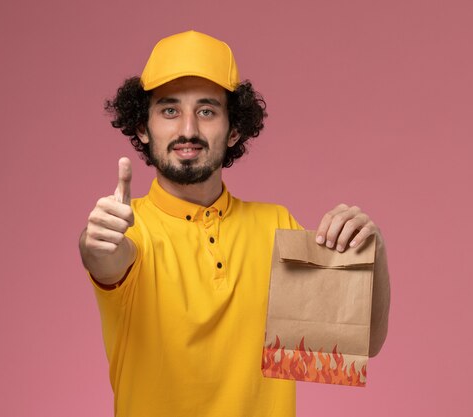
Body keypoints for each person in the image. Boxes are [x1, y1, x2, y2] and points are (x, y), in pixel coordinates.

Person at [79, 30, 390, 417]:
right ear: (143, 127)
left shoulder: (278, 226)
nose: (188, 130)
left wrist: (373, 254)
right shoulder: (129, 230)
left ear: (235, 129)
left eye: (207, 111)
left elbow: (360, 345)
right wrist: (96, 246)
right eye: (169, 110)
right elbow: (106, 258)